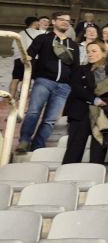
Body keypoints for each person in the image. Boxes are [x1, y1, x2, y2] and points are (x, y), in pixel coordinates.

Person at [63, 41, 108, 164]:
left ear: (104, 53)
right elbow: (77, 88)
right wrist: (94, 100)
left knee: (97, 155)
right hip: (81, 113)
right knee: (73, 152)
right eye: (88, 51)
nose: (90, 54)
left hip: (103, 116)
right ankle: (66, 174)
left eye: (94, 51)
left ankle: (95, 174)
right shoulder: (79, 69)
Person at [17, 11, 77, 153]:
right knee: (33, 112)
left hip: (64, 86)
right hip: (44, 81)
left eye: (68, 20)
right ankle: (24, 141)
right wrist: (27, 64)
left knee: (50, 120)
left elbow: (75, 67)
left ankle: (38, 147)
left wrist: (71, 85)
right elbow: (29, 55)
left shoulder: (73, 44)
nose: (65, 22)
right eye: (61, 19)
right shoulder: (43, 38)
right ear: (53, 22)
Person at [9, 16, 44, 101]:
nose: (39, 24)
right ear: (34, 23)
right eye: (38, 22)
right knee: (27, 79)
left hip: (18, 58)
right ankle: (22, 97)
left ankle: (11, 98)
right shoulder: (39, 33)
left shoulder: (20, 33)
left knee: (15, 79)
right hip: (31, 59)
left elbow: (13, 47)